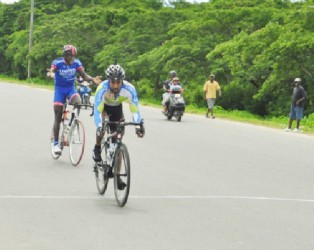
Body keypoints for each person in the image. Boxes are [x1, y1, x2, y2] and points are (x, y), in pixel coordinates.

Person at [93, 64, 145, 188]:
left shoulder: (129, 89)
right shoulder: (102, 88)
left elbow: (135, 109)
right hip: (104, 108)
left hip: (117, 109)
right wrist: (100, 126)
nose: (116, 86)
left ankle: (117, 176)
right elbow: (97, 111)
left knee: (118, 143)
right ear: (108, 81)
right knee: (102, 128)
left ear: (122, 80)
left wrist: (138, 126)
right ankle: (97, 147)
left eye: (118, 82)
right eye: (113, 82)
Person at [47, 44, 101, 154]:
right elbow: (51, 70)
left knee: (78, 102)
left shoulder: (77, 63)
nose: (72, 58)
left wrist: (93, 79)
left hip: (71, 89)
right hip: (60, 90)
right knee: (58, 115)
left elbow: (84, 76)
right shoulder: (58, 63)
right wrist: (51, 73)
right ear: (65, 56)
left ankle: (73, 122)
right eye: (70, 56)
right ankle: (56, 143)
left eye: (73, 56)